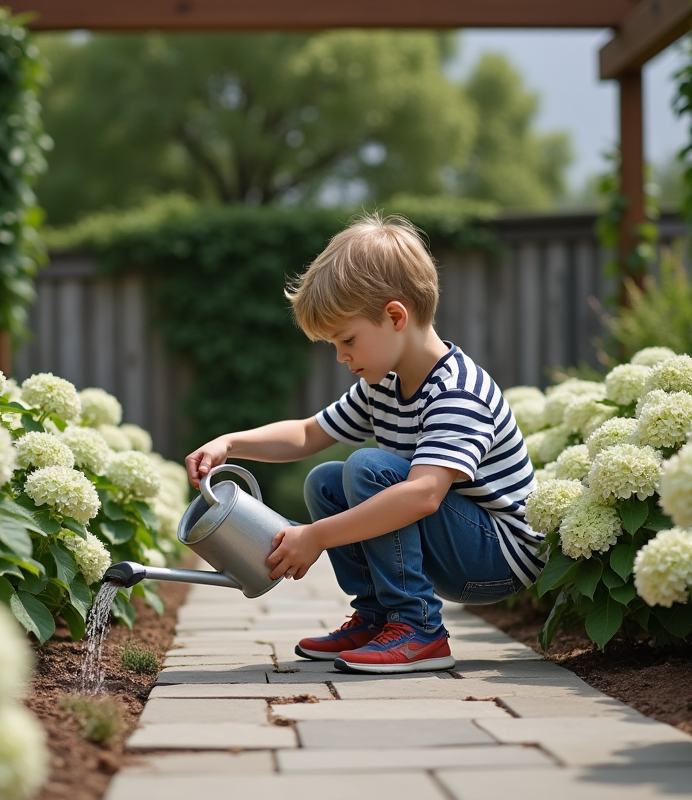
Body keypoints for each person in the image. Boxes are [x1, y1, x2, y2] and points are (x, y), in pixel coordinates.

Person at [184, 213, 543, 674]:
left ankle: (418, 629)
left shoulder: (457, 390)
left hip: (497, 555)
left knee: (368, 467)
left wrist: (314, 536)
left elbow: (424, 494)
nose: (341, 356)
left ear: (396, 316)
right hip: (460, 543)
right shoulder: (384, 385)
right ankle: (378, 620)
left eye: (347, 339)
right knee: (327, 481)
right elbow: (309, 433)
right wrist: (230, 444)